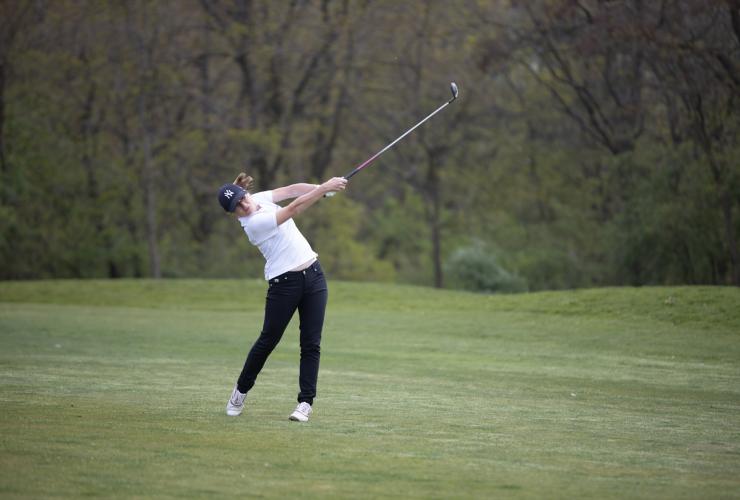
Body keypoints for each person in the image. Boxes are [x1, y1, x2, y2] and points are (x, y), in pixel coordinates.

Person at [217, 173, 347, 422]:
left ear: (245, 193)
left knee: (311, 343)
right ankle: (240, 391)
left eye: (243, 199)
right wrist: (324, 188)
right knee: (268, 341)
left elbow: (290, 190)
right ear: (233, 213)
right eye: (237, 207)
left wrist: (320, 188)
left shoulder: (259, 199)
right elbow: (293, 208)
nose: (244, 205)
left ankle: (305, 403)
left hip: (314, 275)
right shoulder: (253, 225)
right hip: (284, 284)